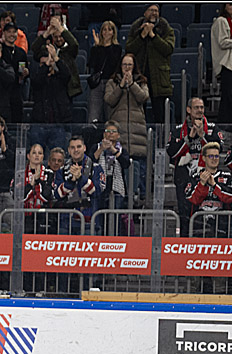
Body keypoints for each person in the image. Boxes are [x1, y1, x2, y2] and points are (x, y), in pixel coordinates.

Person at [167, 97, 224, 221]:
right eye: (196, 107)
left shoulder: (212, 128)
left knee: (205, 213)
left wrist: (202, 136)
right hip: (184, 176)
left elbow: (219, 148)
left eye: (202, 107)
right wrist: (188, 139)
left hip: (207, 175)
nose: (200, 110)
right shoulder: (178, 130)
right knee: (184, 213)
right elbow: (171, 152)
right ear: (188, 110)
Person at [104, 53, 150, 201]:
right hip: (120, 130)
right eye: (125, 65)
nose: (127, 68)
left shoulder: (141, 81)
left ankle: (140, 199)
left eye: (130, 65)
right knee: (121, 168)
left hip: (138, 131)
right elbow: (109, 100)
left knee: (139, 167)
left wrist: (132, 84)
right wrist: (121, 85)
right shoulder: (113, 81)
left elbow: (143, 97)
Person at [125, 3, 173, 124]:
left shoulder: (165, 28)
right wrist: (142, 36)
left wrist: (153, 36)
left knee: (160, 114)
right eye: (151, 10)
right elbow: (129, 49)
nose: (154, 13)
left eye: (156, 10)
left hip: (159, 77)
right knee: (139, 113)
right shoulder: (136, 28)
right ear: (145, 13)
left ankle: (162, 140)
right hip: (140, 75)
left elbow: (168, 49)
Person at [185, 142, 232, 237]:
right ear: (204, 158)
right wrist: (202, 184)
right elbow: (193, 199)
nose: (214, 159)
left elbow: (231, 197)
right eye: (211, 156)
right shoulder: (195, 177)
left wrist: (214, 185)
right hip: (199, 224)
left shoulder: (227, 176)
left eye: (216, 156)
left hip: (221, 224)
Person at [29, 38, 71, 153]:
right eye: (43, 64)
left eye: (48, 62)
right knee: (35, 155)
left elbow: (67, 75)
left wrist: (56, 59)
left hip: (58, 124)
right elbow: (36, 81)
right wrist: (46, 64)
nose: (46, 65)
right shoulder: (38, 78)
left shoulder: (59, 78)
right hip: (39, 123)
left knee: (58, 156)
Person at [87, 21, 122, 124]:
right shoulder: (96, 48)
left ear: (113, 32)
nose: (107, 32)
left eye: (109, 29)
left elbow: (113, 63)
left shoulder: (117, 48)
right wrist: (97, 47)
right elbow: (92, 64)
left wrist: (106, 47)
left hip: (111, 83)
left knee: (110, 115)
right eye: (104, 30)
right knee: (94, 115)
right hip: (97, 84)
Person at [93, 121, 130, 212]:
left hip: (117, 186)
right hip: (99, 185)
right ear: (104, 134)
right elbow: (91, 161)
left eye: (113, 131)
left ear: (118, 135)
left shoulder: (122, 150)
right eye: (108, 131)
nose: (110, 133)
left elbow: (126, 164)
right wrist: (101, 148)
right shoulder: (96, 147)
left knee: (116, 215)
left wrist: (113, 150)